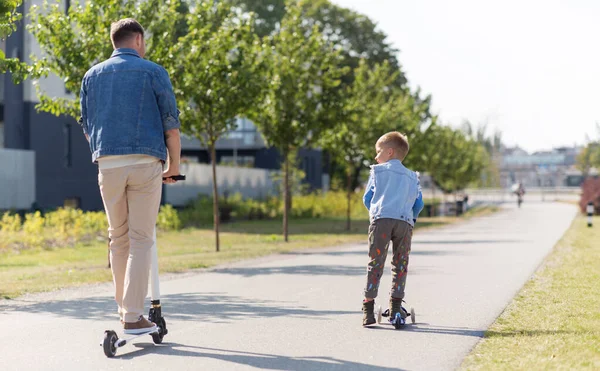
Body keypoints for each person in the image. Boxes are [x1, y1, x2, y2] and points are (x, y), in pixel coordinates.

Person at [79, 18, 182, 334]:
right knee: (140, 238)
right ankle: (133, 316)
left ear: (114, 41)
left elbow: (86, 125)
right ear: (138, 39)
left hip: (107, 165)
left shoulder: (91, 76)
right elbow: (171, 125)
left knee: (118, 237)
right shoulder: (153, 71)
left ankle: (125, 309)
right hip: (143, 162)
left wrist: (106, 154)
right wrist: (173, 168)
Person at [361, 131, 424, 326]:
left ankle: (368, 310)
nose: (375, 157)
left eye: (378, 152)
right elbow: (419, 204)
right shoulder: (413, 177)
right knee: (400, 264)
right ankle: (396, 308)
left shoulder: (377, 172)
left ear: (389, 152)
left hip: (381, 221)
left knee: (375, 263)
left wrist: (374, 214)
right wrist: (410, 218)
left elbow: (367, 199)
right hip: (404, 223)